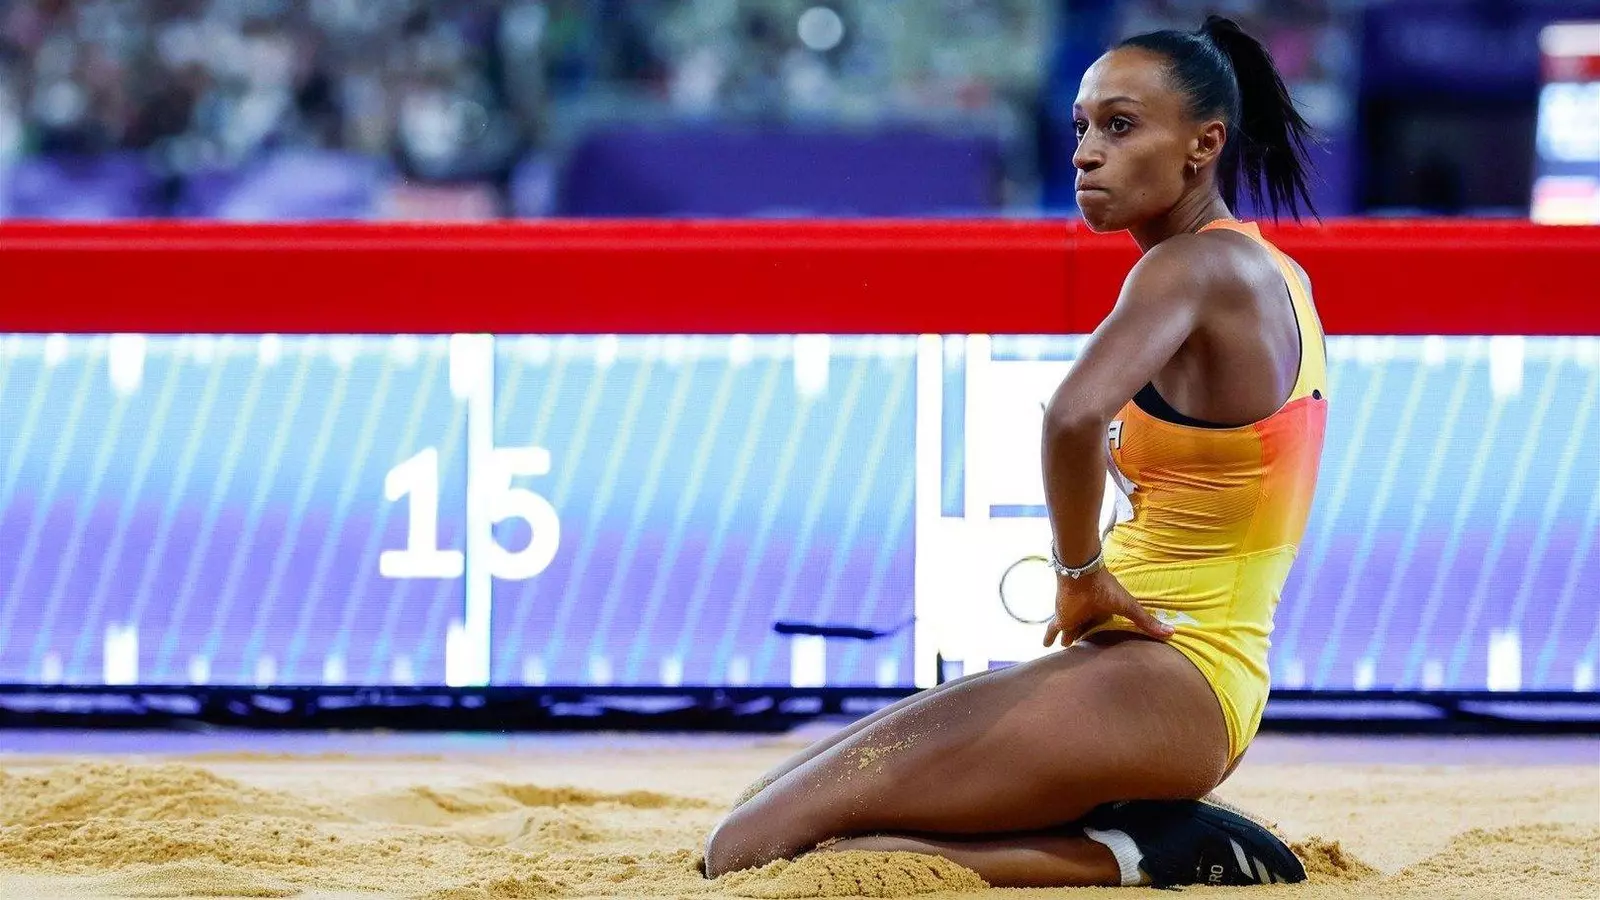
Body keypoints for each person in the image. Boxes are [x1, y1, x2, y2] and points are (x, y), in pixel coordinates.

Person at [702, 15, 1327, 889]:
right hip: (1164, 676)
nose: (1086, 153)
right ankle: (1126, 826)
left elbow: (1072, 417)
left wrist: (1080, 574)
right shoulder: (1269, 270)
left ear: (1204, 145)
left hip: (1174, 681)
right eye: (1082, 126)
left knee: (749, 851)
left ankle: (1136, 855)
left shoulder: (1190, 268)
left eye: (1120, 126)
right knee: (769, 805)